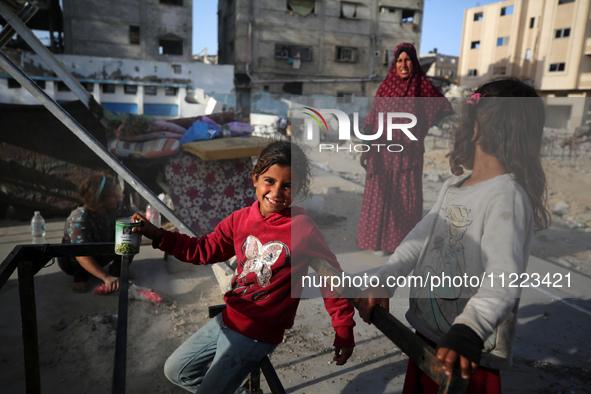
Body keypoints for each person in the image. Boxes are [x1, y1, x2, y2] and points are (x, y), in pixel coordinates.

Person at [356, 78, 550, 393]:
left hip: (467, 354)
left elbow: (504, 275)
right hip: (429, 336)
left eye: (465, 121)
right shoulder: (454, 185)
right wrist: (386, 277)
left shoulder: (507, 195)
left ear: (477, 128)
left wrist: (469, 330)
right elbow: (419, 240)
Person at [132, 140, 356, 393]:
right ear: (255, 179)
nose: (276, 191)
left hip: (257, 333)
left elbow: (332, 278)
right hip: (228, 318)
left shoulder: (304, 230)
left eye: (288, 186)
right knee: (175, 370)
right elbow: (202, 250)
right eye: (269, 181)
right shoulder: (239, 219)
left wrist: (344, 328)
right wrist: (159, 235)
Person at [358, 42, 454, 255]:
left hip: (408, 156)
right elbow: (371, 121)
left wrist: (425, 125)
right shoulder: (384, 88)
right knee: (380, 198)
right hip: (381, 154)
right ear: (395, 63)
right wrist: (366, 147)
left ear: (414, 62)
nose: (403, 64)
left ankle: (399, 244)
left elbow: (444, 107)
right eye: (399, 60)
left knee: (404, 199)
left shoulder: (423, 87)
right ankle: (378, 243)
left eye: (407, 59)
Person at [58, 174, 129, 294]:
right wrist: (105, 278)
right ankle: (80, 276)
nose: (116, 197)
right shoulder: (79, 218)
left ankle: (117, 272)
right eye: (112, 195)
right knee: (77, 248)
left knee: (131, 230)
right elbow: (81, 254)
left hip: (101, 253)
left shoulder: (114, 208)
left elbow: (133, 217)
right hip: (75, 261)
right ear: (100, 200)